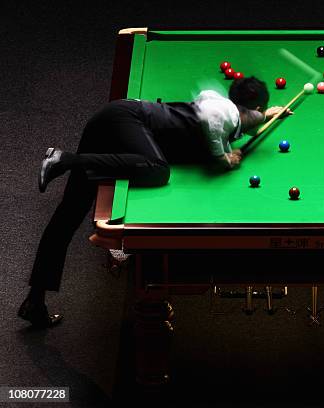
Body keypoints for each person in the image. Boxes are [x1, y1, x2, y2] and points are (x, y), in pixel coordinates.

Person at [19, 76, 292, 328]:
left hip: (113, 119)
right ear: (250, 107)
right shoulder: (225, 113)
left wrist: (263, 115)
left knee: (70, 212)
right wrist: (224, 159)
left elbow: (243, 118)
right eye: (259, 109)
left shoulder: (224, 105)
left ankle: (35, 301)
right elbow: (217, 122)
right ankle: (65, 160)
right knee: (157, 169)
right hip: (125, 121)